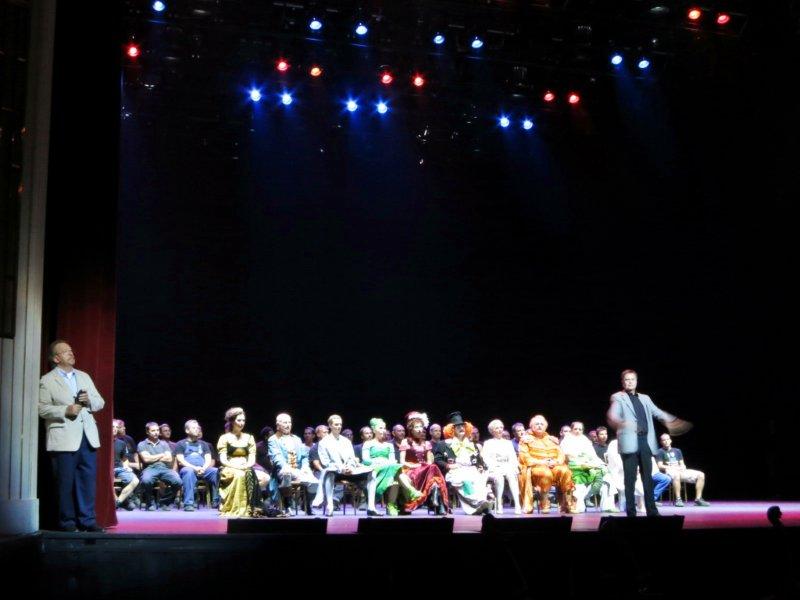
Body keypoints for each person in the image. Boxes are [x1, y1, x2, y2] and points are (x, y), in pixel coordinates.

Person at [38, 340, 106, 532]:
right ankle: (67, 522)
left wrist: (89, 401)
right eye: (65, 351)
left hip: (87, 437)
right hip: (63, 438)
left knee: (87, 481)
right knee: (65, 483)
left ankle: (88, 520)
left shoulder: (84, 376)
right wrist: (65, 410)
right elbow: (41, 408)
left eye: (71, 350)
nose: (71, 353)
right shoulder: (47, 380)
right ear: (56, 358)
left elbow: (100, 402)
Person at [607, 369, 692, 518]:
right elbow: (613, 415)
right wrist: (624, 423)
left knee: (648, 478)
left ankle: (652, 511)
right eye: (627, 379)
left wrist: (671, 421)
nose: (630, 382)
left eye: (632, 379)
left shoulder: (645, 398)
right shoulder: (618, 397)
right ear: (622, 382)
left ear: (636, 381)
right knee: (630, 479)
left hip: (645, 442)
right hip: (629, 444)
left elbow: (657, 411)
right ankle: (631, 513)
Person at [317, 414, 377, 516]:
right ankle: (330, 506)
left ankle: (371, 507)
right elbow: (325, 462)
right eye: (336, 424)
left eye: (340, 424)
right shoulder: (323, 442)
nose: (339, 426)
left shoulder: (346, 441)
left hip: (349, 470)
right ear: (330, 425)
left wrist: (350, 466)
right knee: (329, 473)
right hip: (336, 471)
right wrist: (341, 468)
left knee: (372, 473)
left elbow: (351, 458)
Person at [434, 411, 493, 515]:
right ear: (452, 429)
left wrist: (479, 466)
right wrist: (448, 465)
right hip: (455, 470)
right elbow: (437, 460)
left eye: (463, 426)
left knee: (480, 478)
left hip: (472, 470)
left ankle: (478, 505)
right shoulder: (444, 444)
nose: (461, 428)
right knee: (465, 480)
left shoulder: (471, 444)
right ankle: (478, 502)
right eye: (458, 427)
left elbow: (478, 459)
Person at [517, 415, 577, 514]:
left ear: (545, 426)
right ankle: (544, 503)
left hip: (553, 465)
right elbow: (525, 458)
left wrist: (556, 462)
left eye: (542, 424)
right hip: (537, 466)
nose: (539, 426)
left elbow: (561, 454)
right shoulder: (525, 440)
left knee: (565, 471)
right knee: (545, 473)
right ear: (531, 426)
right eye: (537, 424)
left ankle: (568, 503)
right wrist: (542, 462)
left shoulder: (551, 439)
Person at [216, 407, 268, 517]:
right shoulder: (224, 438)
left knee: (261, 477)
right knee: (239, 475)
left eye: (243, 420)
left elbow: (252, 458)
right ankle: (234, 507)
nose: (242, 423)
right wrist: (236, 466)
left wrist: (246, 465)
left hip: (245, 465)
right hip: (230, 466)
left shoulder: (249, 438)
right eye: (239, 420)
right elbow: (223, 459)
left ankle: (250, 506)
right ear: (232, 421)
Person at [560, 421, 617, 512]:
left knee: (607, 476)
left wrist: (600, 464)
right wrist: (583, 463)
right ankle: (578, 505)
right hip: (575, 466)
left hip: (590, 465)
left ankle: (608, 506)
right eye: (575, 429)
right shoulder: (566, 440)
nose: (578, 431)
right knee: (579, 480)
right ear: (571, 430)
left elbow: (593, 456)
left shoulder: (585, 440)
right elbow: (567, 456)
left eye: (580, 429)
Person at [268, 413, 319, 514]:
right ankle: (287, 505)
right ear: (278, 425)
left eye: (289, 422)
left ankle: (305, 505)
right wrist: (292, 471)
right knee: (286, 474)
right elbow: (277, 459)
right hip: (282, 470)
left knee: (315, 483)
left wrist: (305, 468)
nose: (288, 425)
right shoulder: (273, 439)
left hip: (299, 470)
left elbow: (304, 457)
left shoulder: (297, 439)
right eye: (285, 422)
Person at [399, 412, 448, 514]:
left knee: (432, 467)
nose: (419, 429)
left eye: (421, 427)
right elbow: (402, 461)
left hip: (425, 470)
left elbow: (429, 461)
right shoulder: (405, 442)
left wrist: (423, 466)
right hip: (410, 470)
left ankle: (436, 494)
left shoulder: (427, 443)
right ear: (411, 429)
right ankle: (438, 502)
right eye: (416, 427)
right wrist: (415, 465)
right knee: (433, 470)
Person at [361, 418, 408, 516]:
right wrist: (378, 461)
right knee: (392, 476)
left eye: (384, 428)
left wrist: (386, 463)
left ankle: (391, 505)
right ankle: (409, 490)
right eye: (380, 428)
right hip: (374, 468)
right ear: (374, 430)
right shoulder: (368, 443)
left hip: (387, 468)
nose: (383, 430)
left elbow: (392, 460)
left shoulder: (389, 445)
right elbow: (365, 459)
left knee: (395, 475)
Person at [175, 419, 220, 511]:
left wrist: (203, 468)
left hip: (203, 469)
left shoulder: (204, 444)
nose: (197, 429)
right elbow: (181, 460)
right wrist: (195, 468)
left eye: (198, 428)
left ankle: (217, 501)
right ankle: (189, 503)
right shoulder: (180, 443)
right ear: (187, 430)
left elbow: (208, 458)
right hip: (188, 468)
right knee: (188, 472)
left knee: (217, 471)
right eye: (194, 428)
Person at [655, 433, 710, 507]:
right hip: (669, 472)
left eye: (668, 439)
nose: (666, 441)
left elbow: (682, 464)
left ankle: (698, 499)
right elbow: (660, 466)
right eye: (664, 440)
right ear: (661, 442)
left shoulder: (677, 450)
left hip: (680, 471)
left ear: (670, 440)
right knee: (676, 475)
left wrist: (683, 467)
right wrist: (673, 468)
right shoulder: (660, 451)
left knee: (701, 474)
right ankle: (678, 499)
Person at [138, 421, 181, 511]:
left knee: (178, 482)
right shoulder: (142, 444)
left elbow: (169, 459)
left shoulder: (164, 444)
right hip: (150, 468)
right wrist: (161, 455)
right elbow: (146, 459)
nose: (156, 432)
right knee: (146, 480)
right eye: (153, 431)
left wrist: (152, 457)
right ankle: (150, 502)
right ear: (147, 432)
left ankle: (164, 502)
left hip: (164, 468)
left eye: (157, 430)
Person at [482, 419, 522, 514]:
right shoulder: (488, 443)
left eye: (501, 427)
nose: (500, 430)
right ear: (492, 431)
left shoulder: (508, 443)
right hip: (494, 467)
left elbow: (513, 458)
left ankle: (517, 504)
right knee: (499, 477)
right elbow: (485, 458)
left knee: (512, 475)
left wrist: (514, 467)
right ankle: (499, 503)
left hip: (507, 466)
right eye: (497, 428)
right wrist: (494, 466)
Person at [112, 420, 138, 511]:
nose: (115, 429)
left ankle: (118, 502)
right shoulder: (103, 442)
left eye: (116, 427)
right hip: (107, 470)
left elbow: (124, 459)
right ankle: (120, 501)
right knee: (109, 481)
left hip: (119, 468)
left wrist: (126, 467)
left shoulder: (121, 443)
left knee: (135, 480)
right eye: (112, 427)